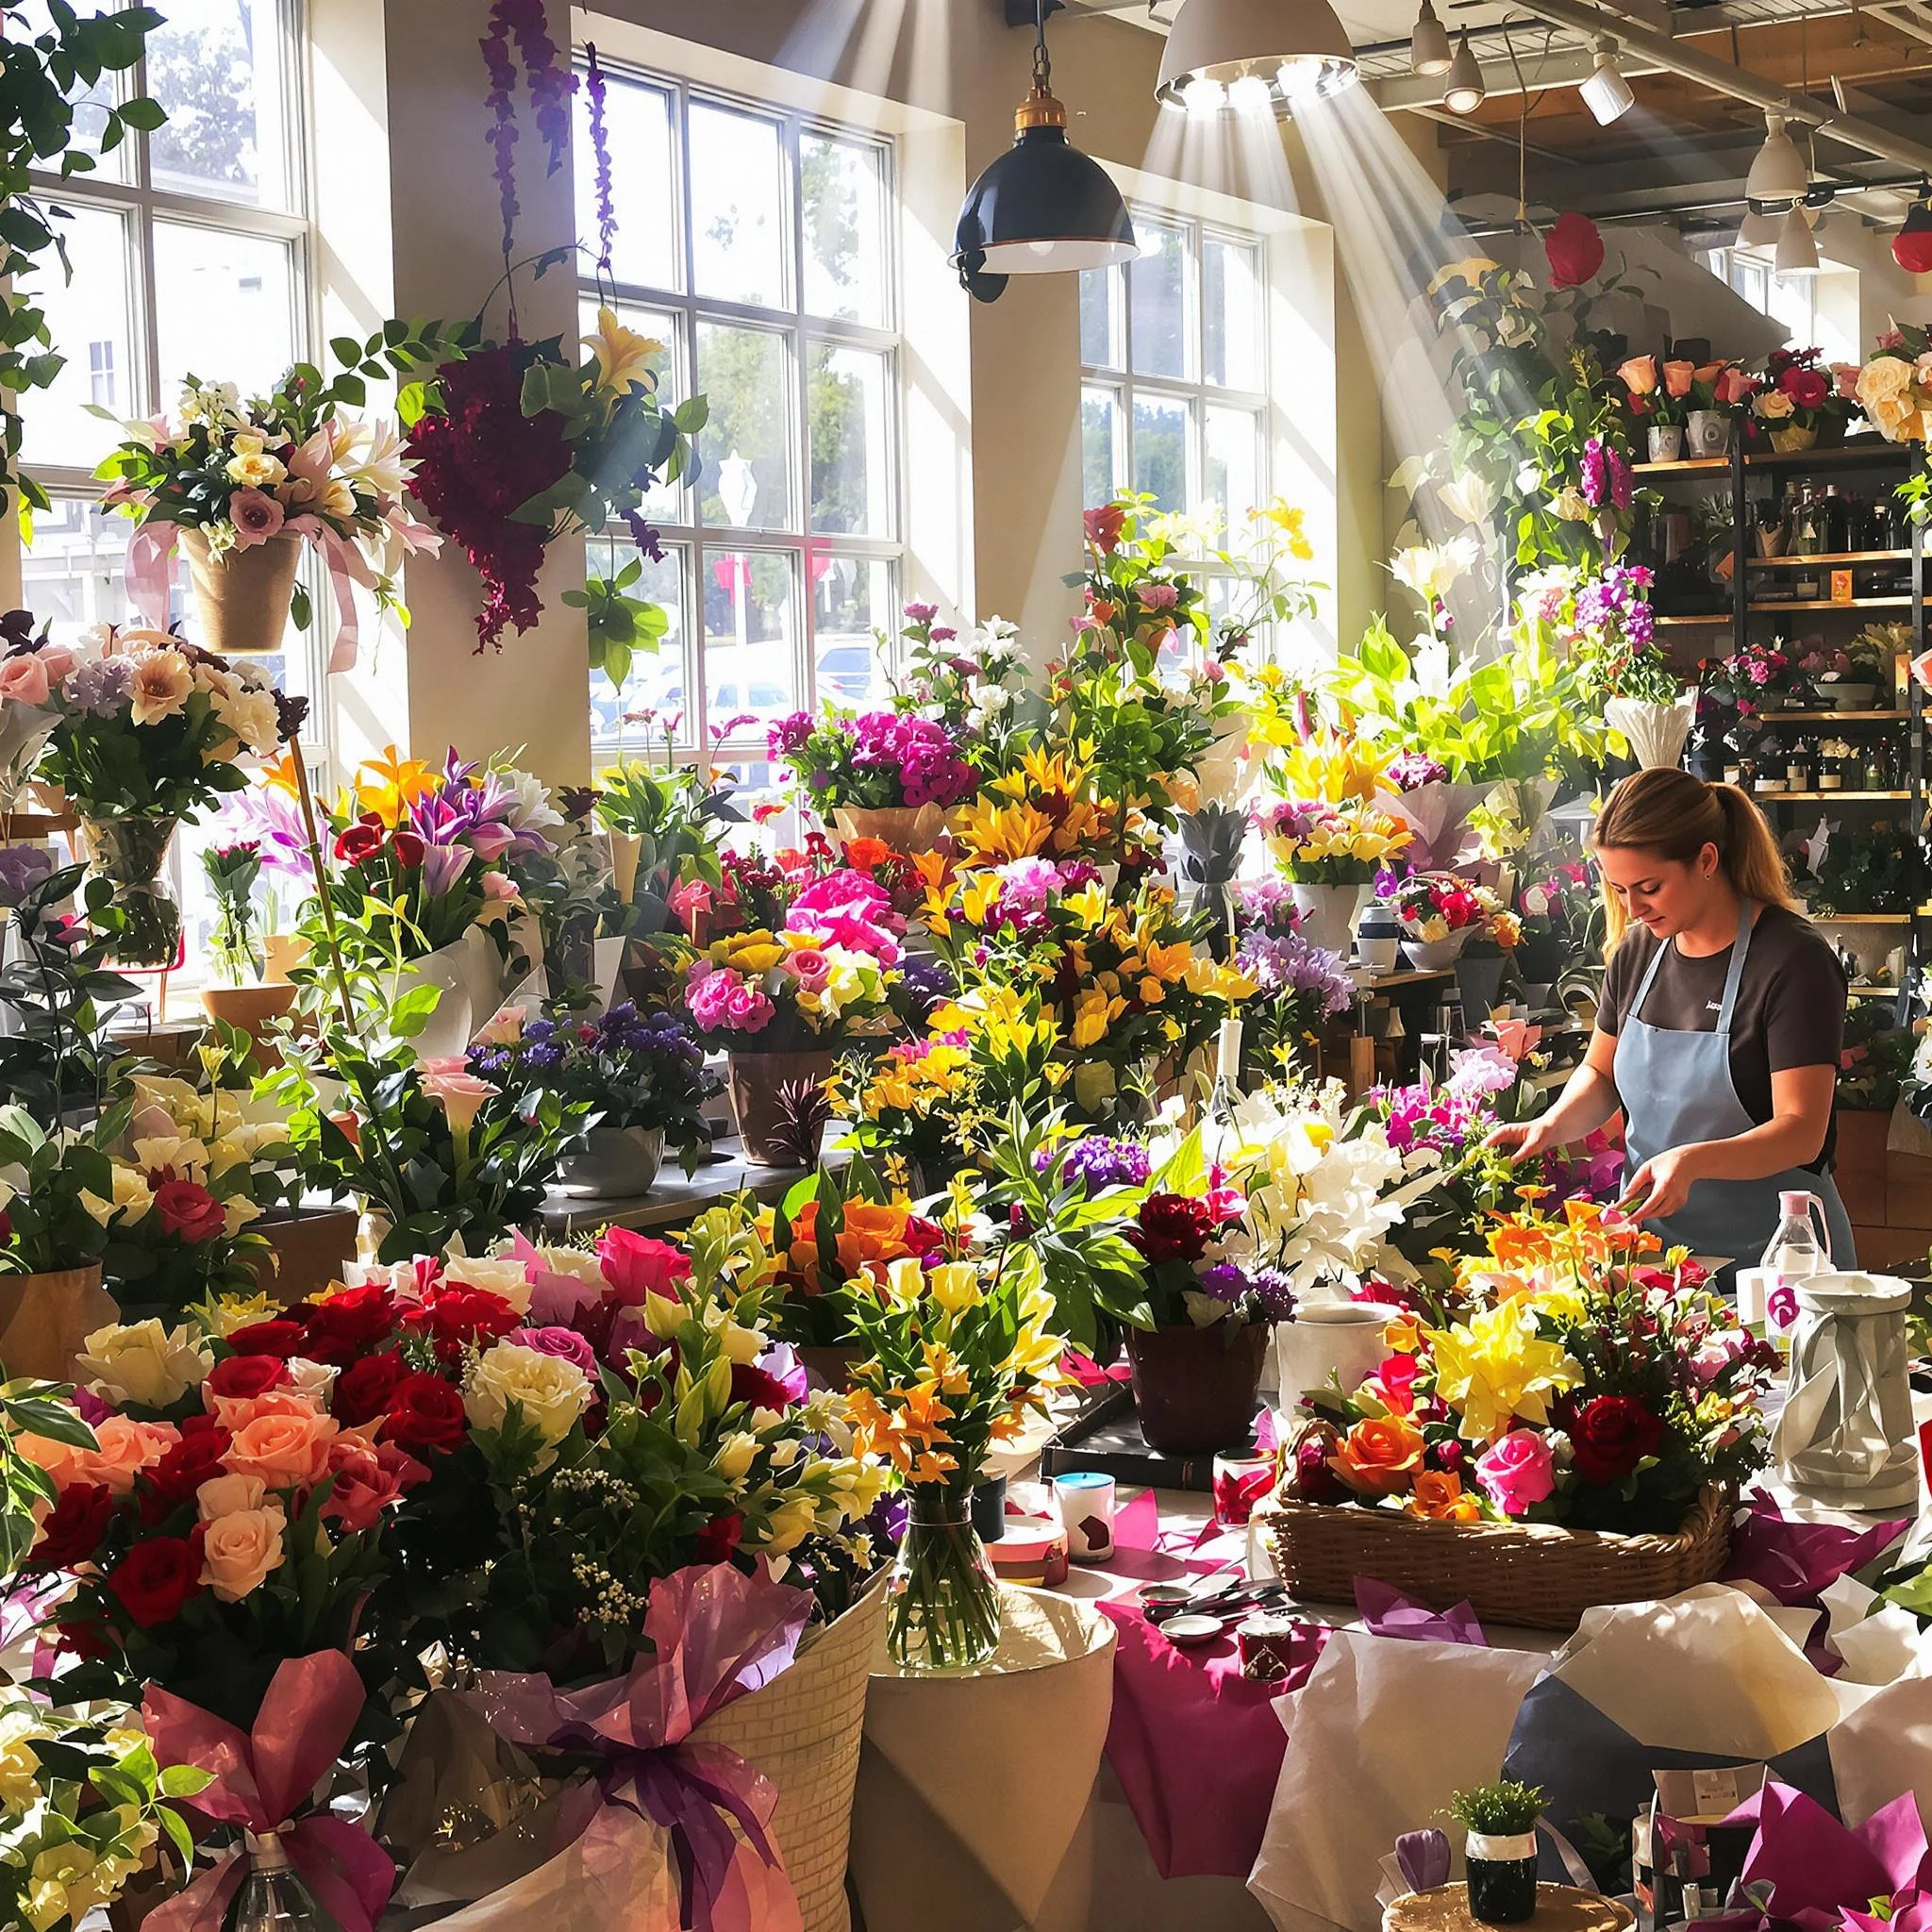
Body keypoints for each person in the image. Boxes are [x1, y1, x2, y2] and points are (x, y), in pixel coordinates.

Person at [1491, 766, 1852, 1281]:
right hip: (1657, 1259)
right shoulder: (1638, 953)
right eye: (1618, 890)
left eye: (1649, 887)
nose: (1633, 909)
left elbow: (1801, 1132)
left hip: (1781, 1262)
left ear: (1706, 859)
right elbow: (1602, 1074)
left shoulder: (1793, 961)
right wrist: (1549, 1125)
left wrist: (1691, 1161)